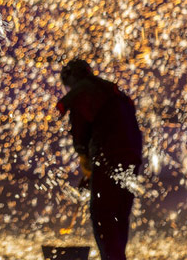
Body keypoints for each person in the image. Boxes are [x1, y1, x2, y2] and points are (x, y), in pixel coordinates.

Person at [57, 58, 143, 260]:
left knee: (103, 215)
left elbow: (80, 133)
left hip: (108, 155)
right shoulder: (109, 90)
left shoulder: (82, 91)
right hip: (131, 156)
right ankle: (117, 256)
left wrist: (86, 161)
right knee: (119, 214)